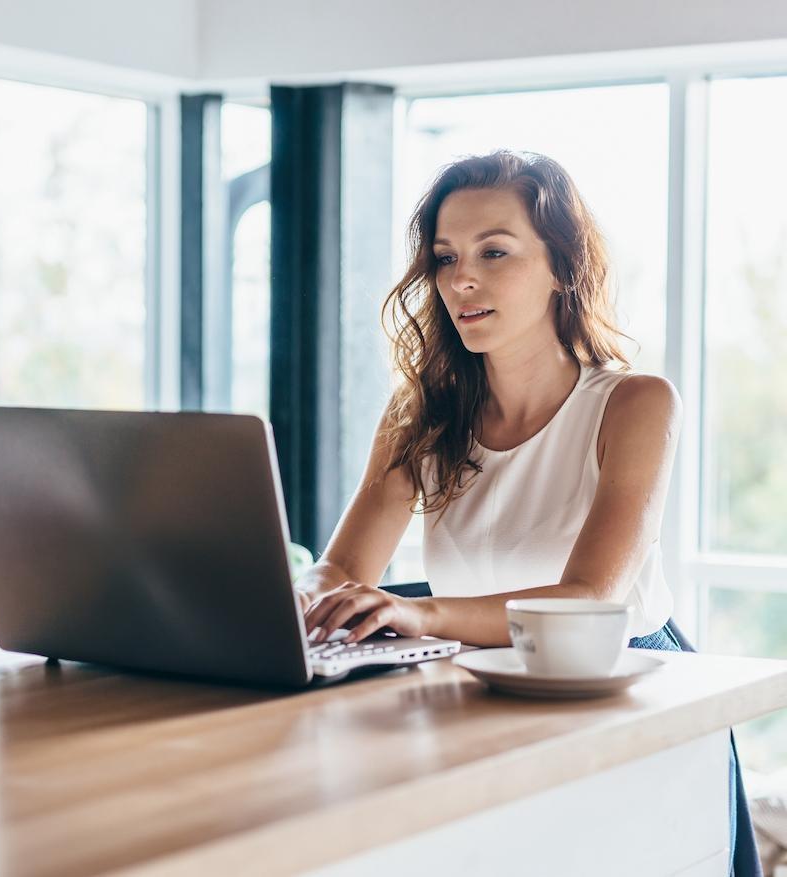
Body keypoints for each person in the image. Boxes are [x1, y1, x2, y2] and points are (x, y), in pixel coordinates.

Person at [295, 150, 759, 877]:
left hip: (630, 692)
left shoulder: (635, 403)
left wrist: (422, 614)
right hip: (481, 692)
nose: (461, 279)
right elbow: (343, 567)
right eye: (445, 257)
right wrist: (295, 595)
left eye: (495, 251)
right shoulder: (418, 413)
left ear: (562, 266)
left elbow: (589, 600)